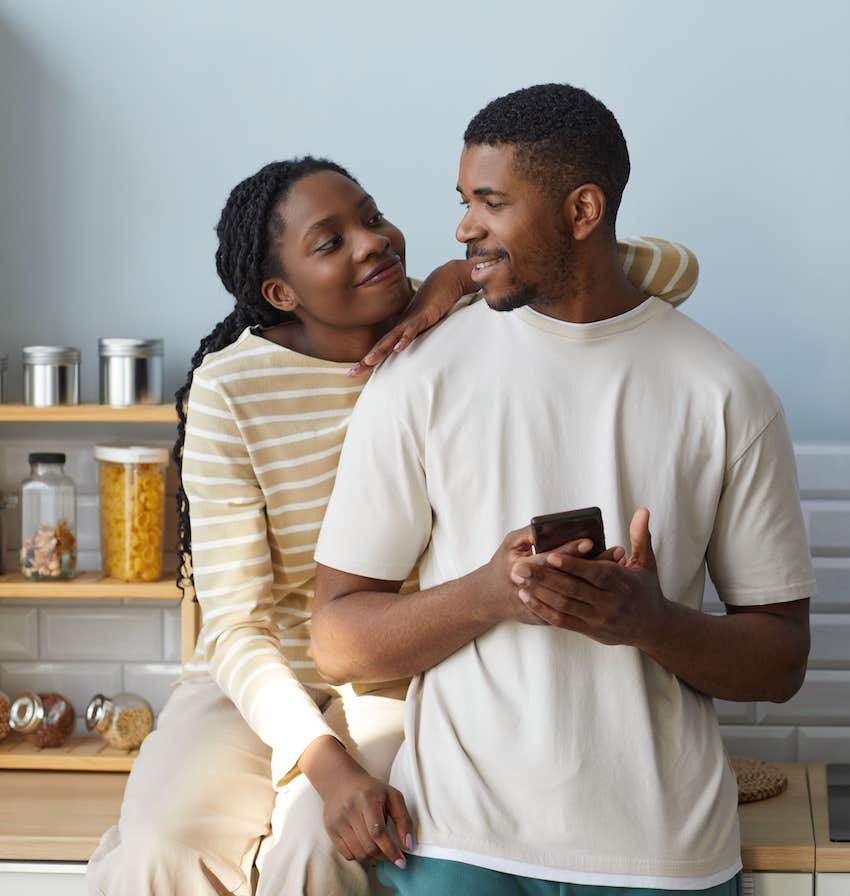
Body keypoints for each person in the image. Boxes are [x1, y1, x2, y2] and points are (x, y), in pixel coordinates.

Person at [86, 155, 700, 896]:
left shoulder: (464, 320)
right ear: (280, 292)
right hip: (254, 686)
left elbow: (675, 266)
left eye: (371, 217)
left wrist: (455, 277)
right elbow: (236, 629)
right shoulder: (231, 387)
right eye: (330, 242)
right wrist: (323, 759)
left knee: (322, 851)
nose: (371, 241)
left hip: (398, 676)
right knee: (161, 848)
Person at [312, 84, 813, 896]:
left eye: (492, 202)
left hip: (663, 858)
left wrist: (649, 623)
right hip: (459, 850)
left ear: (583, 210)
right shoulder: (420, 375)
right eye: (463, 199)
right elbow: (337, 640)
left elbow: (781, 660)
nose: (463, 227)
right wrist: (487, 594)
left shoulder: (724, 390)